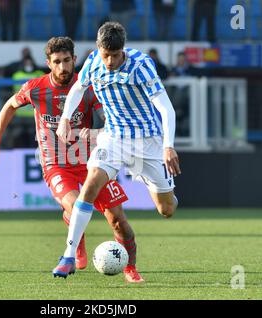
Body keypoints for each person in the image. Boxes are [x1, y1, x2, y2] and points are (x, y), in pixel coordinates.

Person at [0, 36, 144, 283]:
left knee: (118, 221)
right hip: (56, 165)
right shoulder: (35, 88)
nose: (63, 67)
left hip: (93, 163)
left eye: (67, 60)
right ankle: (75, 244)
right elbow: (9, 106)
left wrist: (105, 133)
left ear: (75, 60)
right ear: (48, 63)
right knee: (75, 205)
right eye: (57, 62)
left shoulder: (88, 87)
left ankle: (130, 268)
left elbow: (108, 122)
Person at [54, 22, 181, 278]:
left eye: (114, 55)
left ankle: (165, 190)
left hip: (148, 140)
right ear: (99, 49)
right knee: (90, 187)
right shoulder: (93, 62)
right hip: (114, 138)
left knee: (166, 209)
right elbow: (78, 88)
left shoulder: (141, 66)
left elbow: (166, 108)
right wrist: (66, 117)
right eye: (105, 55)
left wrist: (168, 146)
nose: (110, 61)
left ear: (123, 49)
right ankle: (67, 255)